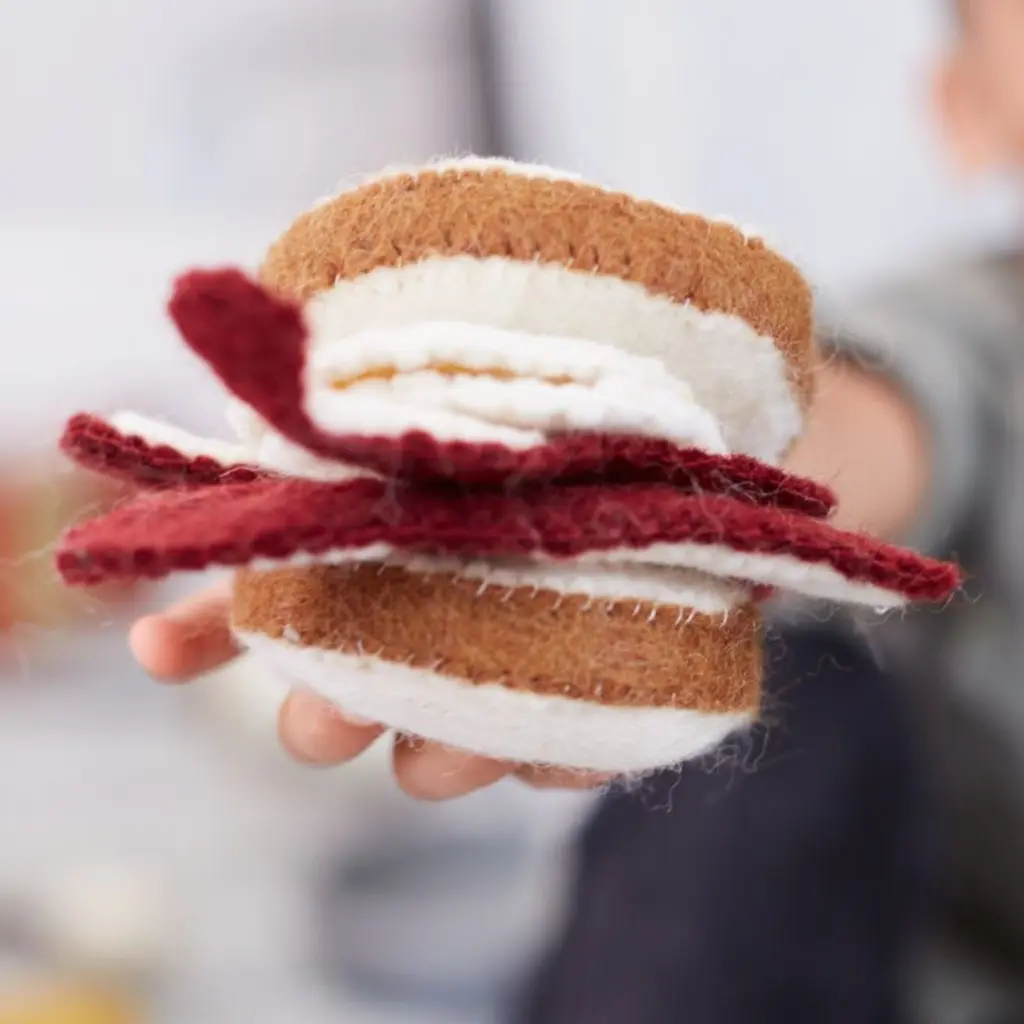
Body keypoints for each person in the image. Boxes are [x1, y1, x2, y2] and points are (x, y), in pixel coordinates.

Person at [131, 0, 1023, 1017]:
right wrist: (673, 469)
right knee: (785, 717)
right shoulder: (975, 341)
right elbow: (878, 418)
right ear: (966, 108)